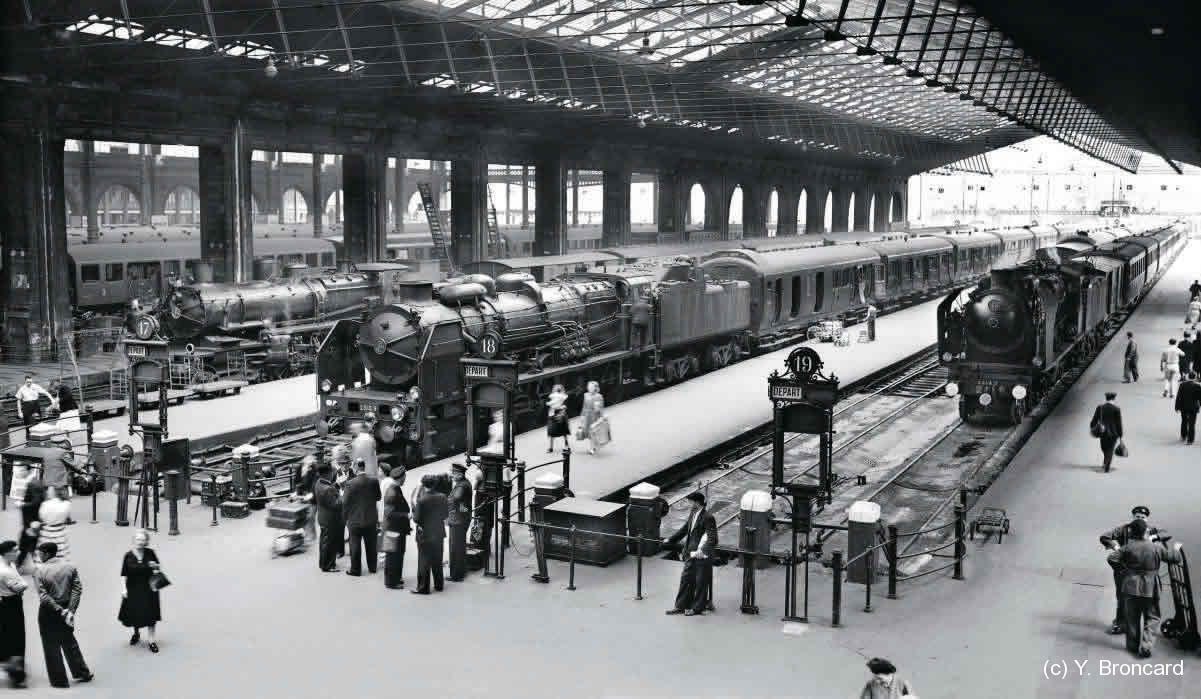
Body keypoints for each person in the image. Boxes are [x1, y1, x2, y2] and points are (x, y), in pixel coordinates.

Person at [1118, 518, 1184, 658]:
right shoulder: (1155, 547)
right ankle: (1146, 646)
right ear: (1145, 532)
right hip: (1150, 587)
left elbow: (1112, 558)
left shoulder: (1127, 547)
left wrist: (1125, 570)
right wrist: (1176, 548)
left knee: (1132, 617)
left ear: (1132, 532)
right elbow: (1174, 558)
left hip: (1130, 586)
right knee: (1152, 616)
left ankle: (1132, 646)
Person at [33, 542, 93, 688]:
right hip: (67, 608)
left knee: (50, 645)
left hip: (48, 612)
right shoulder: (70, 567)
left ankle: (59, 680)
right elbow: (77, 589)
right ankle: (82, 672)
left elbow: (44, 596)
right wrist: (70, 611)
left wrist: (59, 610)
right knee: (69, 641)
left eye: (40, 553)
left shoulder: (40, 572)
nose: (38, 556)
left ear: (46, 554)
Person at [1100, 506, 1166, 635]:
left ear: (1147, 519)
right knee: (1122, 596)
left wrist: (1155, 538)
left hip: (1145, 571)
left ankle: (1143, 628)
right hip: (1124, 570)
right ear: (1132, 517)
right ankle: (1120, 623)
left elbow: (1165, 534)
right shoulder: (1124, 529)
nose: (1140, 519)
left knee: (1148, 599)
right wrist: (1115, 546)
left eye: (1143, 517)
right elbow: (1105, 536)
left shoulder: (1151, 530)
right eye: (1137, 517)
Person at [664, 492, 718, 617]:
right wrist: (671, 540)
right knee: (686, 579)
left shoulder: (708, 517)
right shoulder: (693, 513)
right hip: (690, 553)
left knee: (700, 581)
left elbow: (712, 538)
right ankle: (680, 606)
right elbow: (685, 529)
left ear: (696, 502)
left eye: (690, 501)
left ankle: (697, 608)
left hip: (701, 555)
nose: (689, 504)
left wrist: (702, 550)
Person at [118, 530, 163, 653]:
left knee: (151, 615)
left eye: (143, 540)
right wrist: (123, 589)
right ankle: (136, 633)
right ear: (134, 541)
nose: (140, 542)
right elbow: (123, 574)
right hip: (133, 588)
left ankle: (151, 641)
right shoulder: (128, 556)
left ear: (146, 541)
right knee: (135, 613)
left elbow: (157, 569)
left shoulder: (150, 553)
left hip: (149, 589)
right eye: (138, 539)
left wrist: (155, 566)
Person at [341, 458, 380, 577]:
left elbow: (345, 502)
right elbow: (378, 497)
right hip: (371, 518)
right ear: (364, 467)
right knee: (371, 545)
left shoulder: (350, 484)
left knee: (355, 544)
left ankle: (356, 570)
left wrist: (345, 518)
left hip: (355, 520)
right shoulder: (374, 481)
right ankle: (372, 567)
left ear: (356, 467)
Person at [411, 474, 448, 595]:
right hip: (438, 532)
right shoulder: (443, 497)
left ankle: (423, 587)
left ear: (423, 484)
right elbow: (445, 515)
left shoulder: (421, 500)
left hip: (425, 534)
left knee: (424, 560)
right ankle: (439, 585)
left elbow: (416, 519)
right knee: (437, 559)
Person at [0, 540, 27, 688]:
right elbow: (21, 587)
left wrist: (22, 584)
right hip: (11, 605)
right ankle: (16, 675)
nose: (18, 553)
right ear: (7, 553)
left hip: (9, 602)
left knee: (10, 636)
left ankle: (13, 668)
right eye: (15, 551)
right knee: (16, 638)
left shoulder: (10, 565)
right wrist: (23, 584)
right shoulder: (5, 571)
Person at [382, 467, 410, 590]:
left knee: (396, 554)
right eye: (405, 477)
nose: (405, 479)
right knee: (393, 555)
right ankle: (391, 582)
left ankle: (395, 578)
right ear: (401, 477)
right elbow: (389, 513)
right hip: (393, 529)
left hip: (394, 528)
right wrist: (405, 515)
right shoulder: (393, 492)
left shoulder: (394, 489)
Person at [313, 463, 344, 573]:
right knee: (330, 543)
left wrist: (336, 486)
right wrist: (342, 496)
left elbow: (328, 491)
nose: (332, 474)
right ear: (327, 473)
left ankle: (323, 563)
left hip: (323, 517)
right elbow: (336, 504)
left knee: (324, 542)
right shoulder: (327, 489)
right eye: (331, 472)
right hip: (331, 519)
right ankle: (329, 565)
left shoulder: (318, 483)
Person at [447, 463, 473, 582]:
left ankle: (457, 575)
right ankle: (459, 571)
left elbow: (456, 498)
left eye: (453, 473)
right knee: (458, 546)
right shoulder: (463, 483)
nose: (452, 475)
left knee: (456, 547)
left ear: (460, 474)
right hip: (461, 517)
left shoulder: (462, 486)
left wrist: (447, 500)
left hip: (458, 520)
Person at [16, 479, 45, 572]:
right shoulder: (42, 501)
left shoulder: (27, 505)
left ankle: (19, 564)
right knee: (35, 547)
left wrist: (21, 505)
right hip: (37, 528)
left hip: (28, 528)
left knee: (23, 548)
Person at [1090, 392, 1123, 472]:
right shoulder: (1116, 409)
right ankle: (1106, 463)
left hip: (1103, 432)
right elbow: (1118, 423)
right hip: (1113, 433)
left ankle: (1106, 464)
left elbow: (1094, 421)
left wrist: (1093, 427)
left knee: (1104, 448)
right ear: (1114, 399)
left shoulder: (1100, 408)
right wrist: (1120, 434)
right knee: (1110, 449)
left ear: (1106, 398)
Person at [37, 486, 72, 561]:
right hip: (60, 532)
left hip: (47, 532)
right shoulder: (66, 504)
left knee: (45, 551)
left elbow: (42, 517)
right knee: (61, 552)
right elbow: (67, 516)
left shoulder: (45, 504)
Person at [292, 455, 318, 543]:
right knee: (302, 515)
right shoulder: (299, 467)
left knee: (311, 516)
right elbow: (296, 481)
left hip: (311, 496)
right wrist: (295, 492)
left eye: (311, 464)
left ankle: (312, 536)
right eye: (307, 463)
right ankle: (308, 534)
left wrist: (311, 494)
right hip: (301, 494)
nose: (309, 465)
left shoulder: (315, 469)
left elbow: (315, 483)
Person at [579, 380, 606, 455]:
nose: (589, 388)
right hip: (587, 415)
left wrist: (601, 416)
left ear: (595, 388)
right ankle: (593, 446)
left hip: (595, 416)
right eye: (589, 387)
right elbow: (584, 406)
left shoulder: (599, 396)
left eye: (591, 387)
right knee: (589, 432)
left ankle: (592, 448)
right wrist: (582, 415)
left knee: (593, 432)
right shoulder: (586, 395)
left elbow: (600, 408)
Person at [1175, 372, 1201, 444]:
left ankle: (1183, 435)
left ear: (1188, 377)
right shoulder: (1197, 386)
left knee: (1184, 421)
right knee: (1192, 423)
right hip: (1193, 408)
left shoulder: (1182, 385)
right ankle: (1190, 440)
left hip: (1184, 407)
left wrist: (1177, 407)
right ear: (1195, 378)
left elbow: (1179, 397)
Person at [546, 385, 570, 453]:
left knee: (564, 431)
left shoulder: (564, 397)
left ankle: (566, 445)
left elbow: (565, 407)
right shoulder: (552, 397)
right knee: (551, 432)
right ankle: (550, 447)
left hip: (560, 415)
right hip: (552, 415)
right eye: (556, 390)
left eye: (558, 390)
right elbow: (550, 406)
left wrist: (561, 412)